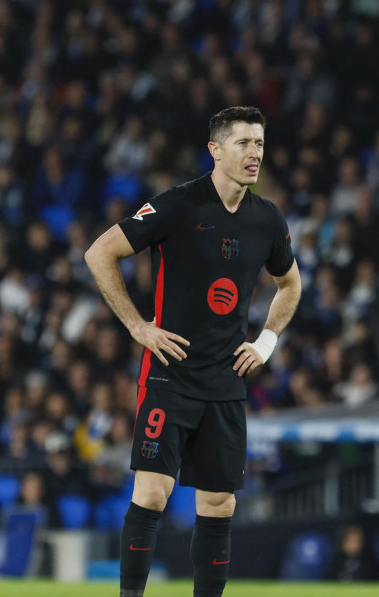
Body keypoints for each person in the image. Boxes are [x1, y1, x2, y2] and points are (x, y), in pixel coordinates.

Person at [85, 106, 302, 597]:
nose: (254, 154)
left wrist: (266, 342)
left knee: (220, 504)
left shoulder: (267, 220)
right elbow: (99, 252)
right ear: (216, 150)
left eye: (260, 144)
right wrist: (139, 327)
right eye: (244, 143)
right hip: (170, 373)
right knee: (153, 493)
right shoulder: (179, 205)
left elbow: (291, 286)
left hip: (226, 379)